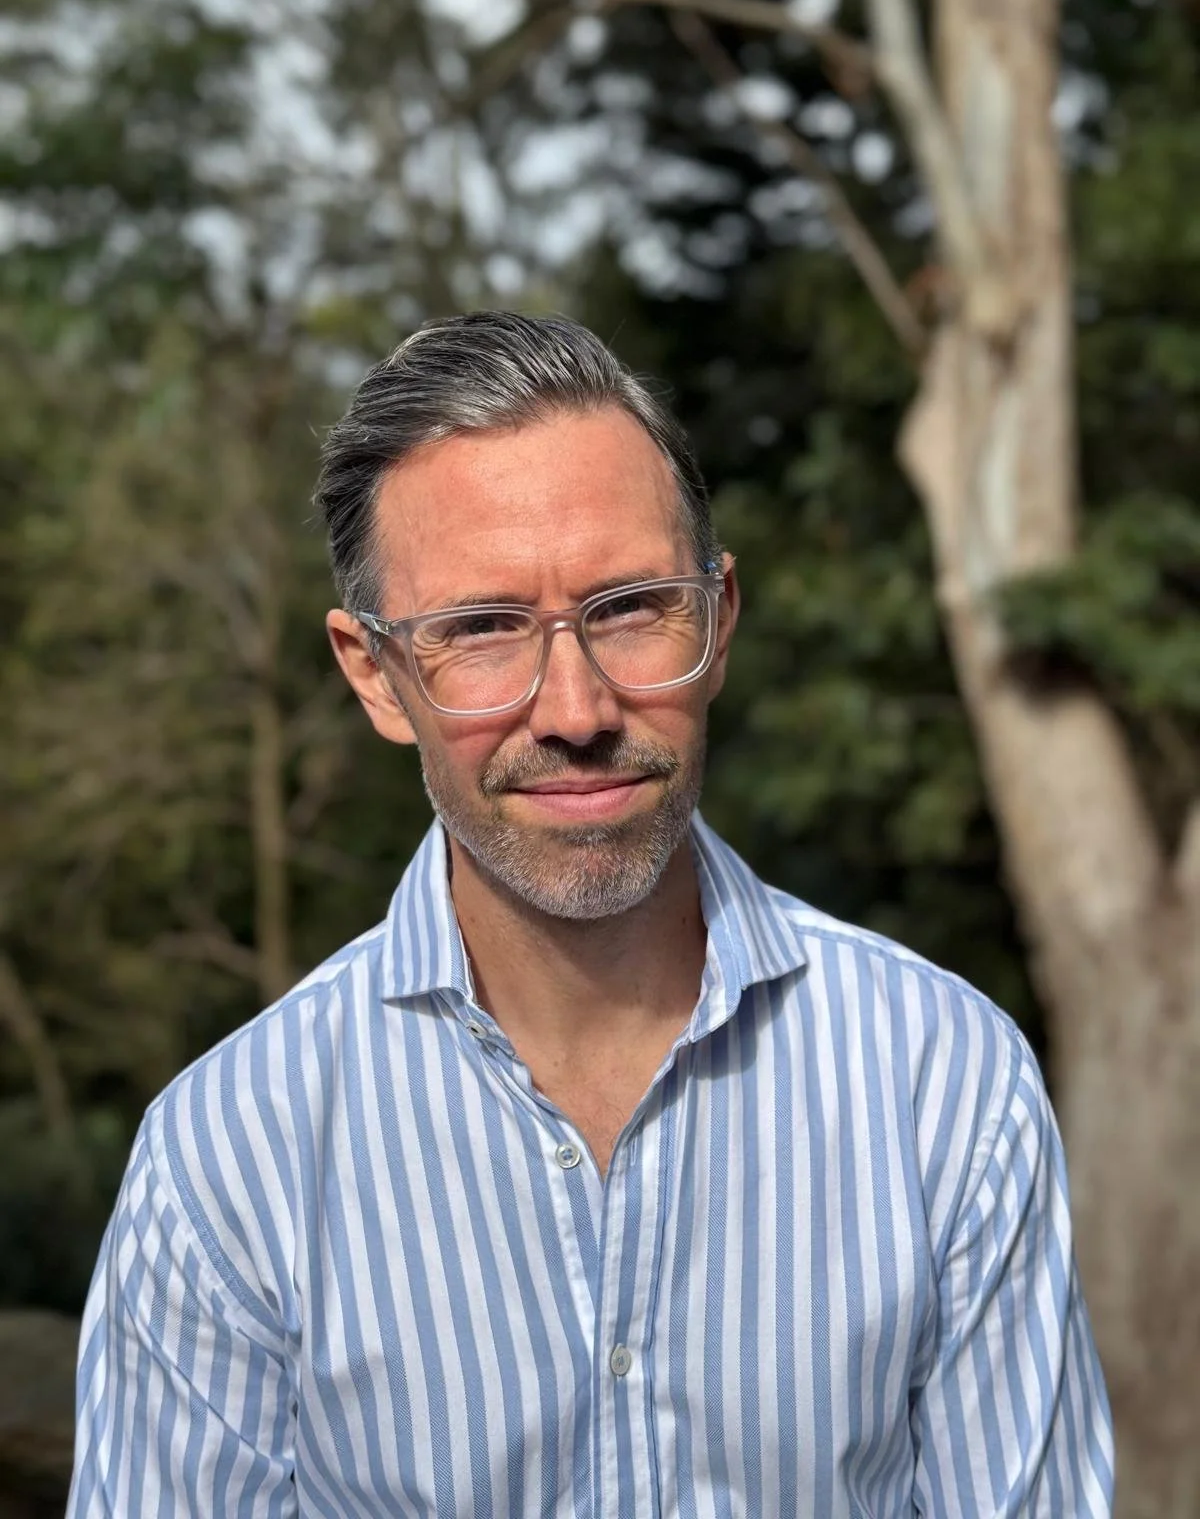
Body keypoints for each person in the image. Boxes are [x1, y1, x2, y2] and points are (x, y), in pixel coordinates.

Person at [68, 311, 1114, 1518]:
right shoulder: (228, 1160)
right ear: (374, 674)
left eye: (627, 607)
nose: (573, 706)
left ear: (717, 620)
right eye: (481, 628)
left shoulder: (945, 1084)